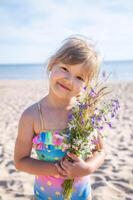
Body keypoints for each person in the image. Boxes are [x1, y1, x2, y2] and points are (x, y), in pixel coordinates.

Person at [14, 35, 106, 200]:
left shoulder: (85, 114)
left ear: (86, 86)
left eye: (79, 77)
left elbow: (100, 150)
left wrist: (87, 168)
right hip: (44, 196)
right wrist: (58, 169)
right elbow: (20, 161)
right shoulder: (32, 116)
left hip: (82, 196)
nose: (69, 80)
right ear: (52, 64)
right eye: (65, 68)